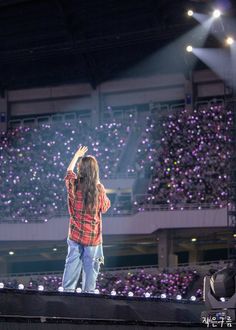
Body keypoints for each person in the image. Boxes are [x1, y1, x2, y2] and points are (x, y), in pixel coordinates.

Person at [62, 146, 111, 292]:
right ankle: (88, 296)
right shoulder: (99, 189)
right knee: (91, 270)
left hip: (75, 234)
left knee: (71, 265)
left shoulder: (74, 185)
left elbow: (69, 173)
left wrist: (76, 156)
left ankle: (67, 293)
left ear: (81, 169)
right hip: (92, 238)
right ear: (95, 171)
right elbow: (105, 207)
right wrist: (98, 181)